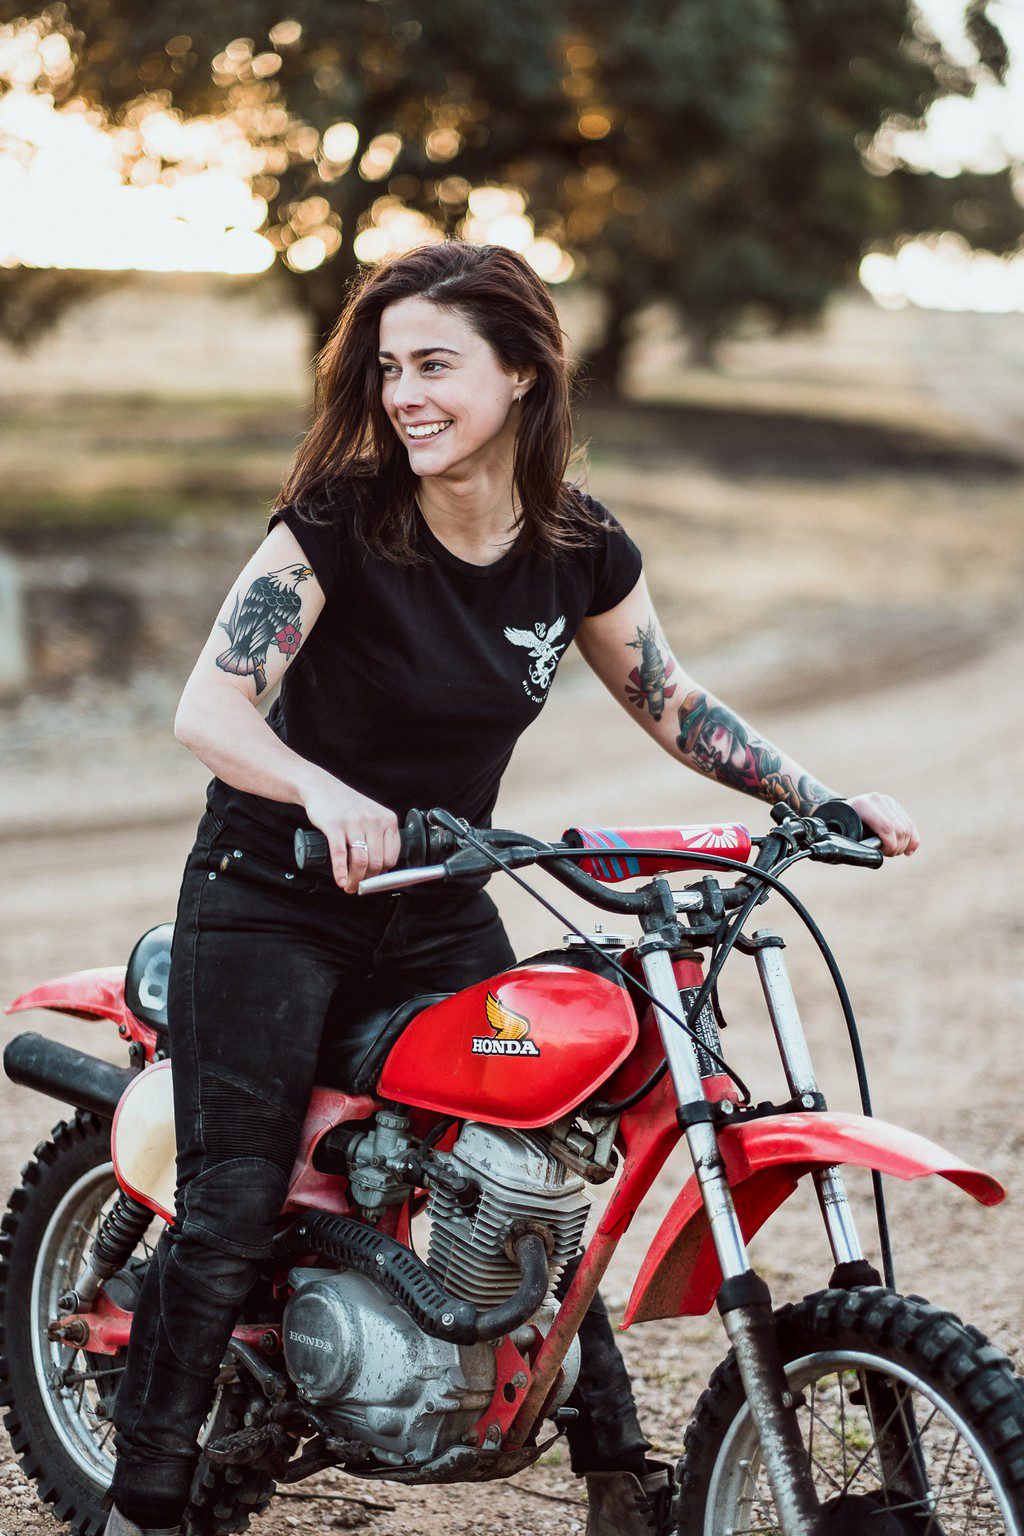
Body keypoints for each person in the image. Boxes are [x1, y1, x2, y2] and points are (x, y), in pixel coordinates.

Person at [104, 240, 919, 1536]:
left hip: (435, 897)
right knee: (233, 1208)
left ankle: (617, 1472)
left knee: (541, 1132)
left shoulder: (574, 547)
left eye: (437, 364)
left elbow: (672, 699)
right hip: (274, 894)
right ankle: (139, 1498)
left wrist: (811, 801)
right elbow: (211, 702)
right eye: (389, 369)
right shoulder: (338, 524)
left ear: (526, 374)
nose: (406, 395)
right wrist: (318, 791)